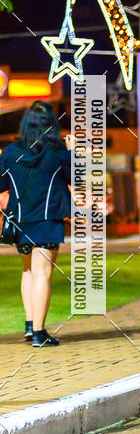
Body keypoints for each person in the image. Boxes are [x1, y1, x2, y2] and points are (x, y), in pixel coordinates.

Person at [0, 101, 71, 346]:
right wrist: (72, 151)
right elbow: (77, 178)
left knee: (28, 270)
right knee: (43, 272)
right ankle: (40, 334)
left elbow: (2, 186)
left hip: (20, 220)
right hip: (47, 220)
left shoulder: (10, 152)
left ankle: (30, 325)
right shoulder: (58, 152)